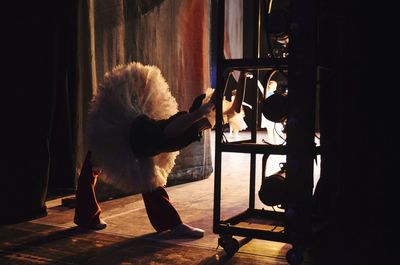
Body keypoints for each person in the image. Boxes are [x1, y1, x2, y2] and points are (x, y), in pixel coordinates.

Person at [73, 62, 218, 238]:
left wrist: (241, 79)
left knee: (147, 178)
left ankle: (172, 224)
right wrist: (199, 112)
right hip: (138, 133)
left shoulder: (200, 125)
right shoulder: (184, 122)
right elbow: (171, 129)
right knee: (100, 163)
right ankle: (87, 216)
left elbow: (231, 111)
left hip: (144, 139)